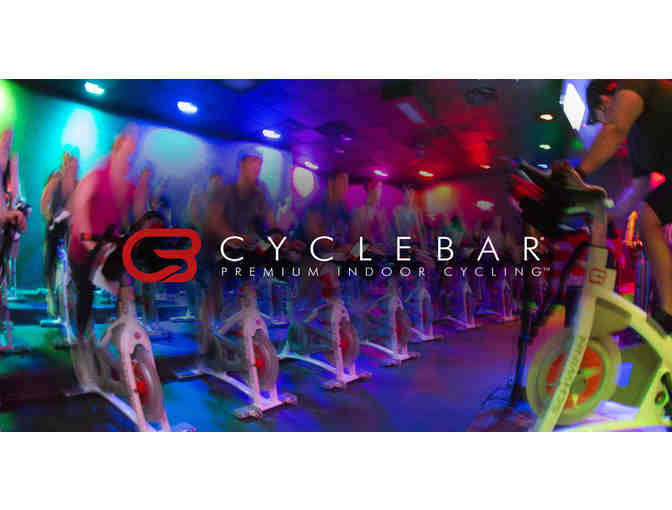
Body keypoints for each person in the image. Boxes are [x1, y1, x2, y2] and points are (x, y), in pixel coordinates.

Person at [555, 80, 672, 332]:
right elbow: (638, 189)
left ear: (606, 101)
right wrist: (608, 215)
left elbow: (615, 129)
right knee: (648, 217)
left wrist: (578, 174)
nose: (603, 126)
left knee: (649, 215)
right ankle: (669, 311)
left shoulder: (635, 82)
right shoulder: (638, 143)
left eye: (600, 118)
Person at [67, 126, 144, 339]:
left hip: (107, 247)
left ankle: (122, 338)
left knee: (125, 290)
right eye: (126, 149)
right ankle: (82, 341)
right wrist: (92, 247)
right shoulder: (96, 176)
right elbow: (80, 211)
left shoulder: (128, 186)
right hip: (83, 247)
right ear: (116, 148)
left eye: (132, 152)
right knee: (86, 292)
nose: (129, 157)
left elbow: (136, 218)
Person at [41, 148, 79, 316]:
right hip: (55, 224)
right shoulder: (57, 178)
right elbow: (44, 200)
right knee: (50, 260)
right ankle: (50, 295)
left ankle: (69, 297)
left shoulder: (78, 183)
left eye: (75, 164)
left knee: (74, 261)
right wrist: (49, 217)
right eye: (70, 163)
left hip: (69, 227)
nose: (73, 167)